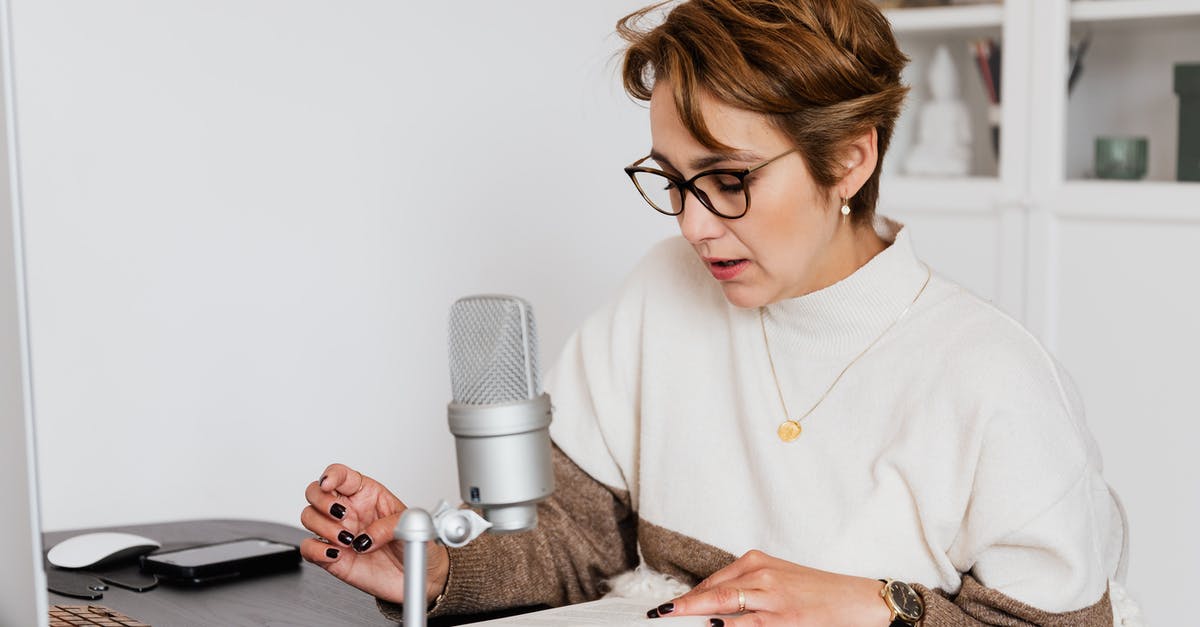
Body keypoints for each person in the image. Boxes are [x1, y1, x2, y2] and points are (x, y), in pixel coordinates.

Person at [300, 1, 1126, 625]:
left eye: (729, 180)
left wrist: (882, 605)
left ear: (849, 158)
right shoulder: (662, 292)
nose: (694, 225)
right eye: (673, 179)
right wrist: (433, 569)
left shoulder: (994, 377)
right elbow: (576, 540)